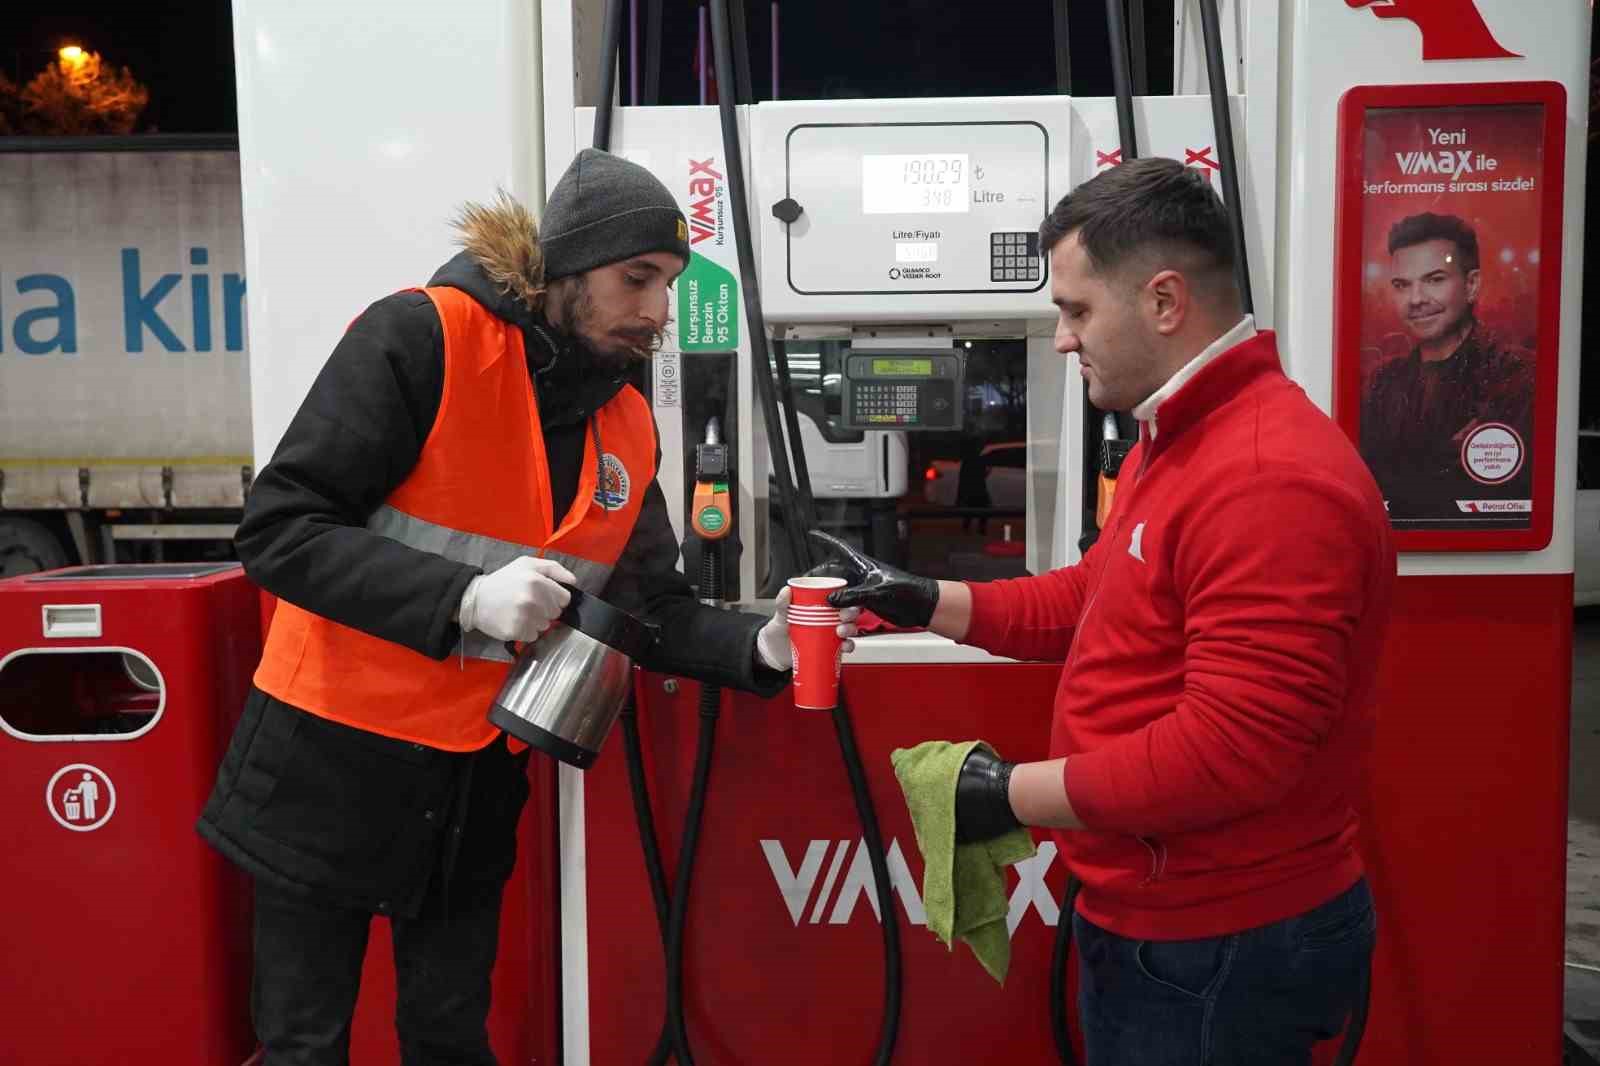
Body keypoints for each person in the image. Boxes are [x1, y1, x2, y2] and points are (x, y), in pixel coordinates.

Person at [197, 149, 845, 1065]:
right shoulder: (425, 337)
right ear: (568, 268)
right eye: (637, 278)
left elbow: (649, 606)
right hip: (330, 755)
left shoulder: (626, 422)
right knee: (306, 1043)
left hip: (471, 779)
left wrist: (763, 647)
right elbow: (280, 530)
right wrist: (464, 597)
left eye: (668, 284)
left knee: (450, 1035)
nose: (658, 310)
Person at [814, 157, 1396, 1065]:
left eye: (1077, 311)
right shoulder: (1180, 439)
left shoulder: (1265, 477)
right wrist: (923, 599)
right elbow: (1096, 596)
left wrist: (1007, 792)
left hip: (1218, 941)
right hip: (1166, 916)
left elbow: (1234, 752)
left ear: (1164, 301)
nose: (1060, 340)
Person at [1360, 211, 1535, 519]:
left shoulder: (1516, 373)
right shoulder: (1382, 381)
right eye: (1402, 285)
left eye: (1435, 280)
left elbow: (1496, 489)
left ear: (1472, 285)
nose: (1415, 299)